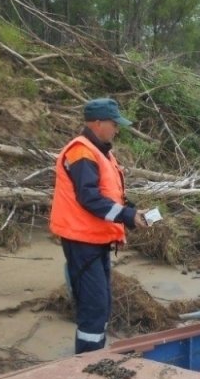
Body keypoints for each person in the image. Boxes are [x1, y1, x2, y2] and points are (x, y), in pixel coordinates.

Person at [50, 98, 149, 354]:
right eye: (113, 123)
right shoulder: (81, 152)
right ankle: (86, 365)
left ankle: (92, 359)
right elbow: (89, 197)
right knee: (94, 307)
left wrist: (133, 212)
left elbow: (109, 193)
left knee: (101, 305)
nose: (117, 129)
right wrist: (126, 216)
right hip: (82, 242)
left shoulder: (101, 152)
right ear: (97, 123)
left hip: (96, 241)